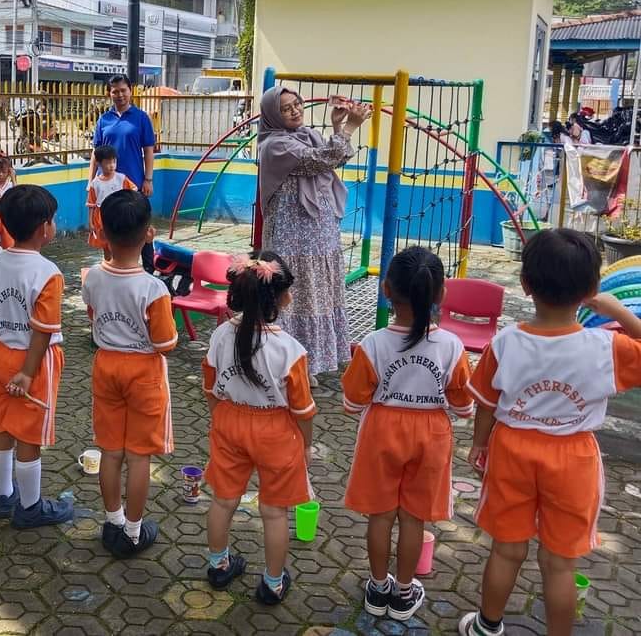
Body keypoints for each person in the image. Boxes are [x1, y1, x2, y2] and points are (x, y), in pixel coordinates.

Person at [460, 229, 641, 636]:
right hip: (574, 458)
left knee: (506, 551)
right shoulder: (606, 347)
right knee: (560, 564)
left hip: (512, 450)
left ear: (525, 284)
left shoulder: (505, 342)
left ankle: (487, 626)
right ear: (591, 290)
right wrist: (619, 310)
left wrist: (478, 444)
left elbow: (486, 404)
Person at [341, 247, 474, 622]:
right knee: (414, 519)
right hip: (431, 435)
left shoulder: (372, 344)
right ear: (441, 294)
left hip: (381, 431)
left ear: (386, 289)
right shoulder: (452, 346)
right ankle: (403, 593)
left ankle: (377, 587)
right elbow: (464, 405)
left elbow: (353, 402)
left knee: (380, 516)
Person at [201, 252, 315, 605]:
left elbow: (210, 387)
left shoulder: (220, 335)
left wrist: (221, 419)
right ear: (279, 298)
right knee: (274, 511)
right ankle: (272, 584)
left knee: (223, 500)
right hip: (275, 432)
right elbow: (303, 410)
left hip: (229, 421)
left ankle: (218, 566)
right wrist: (306, 445)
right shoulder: (290, 350)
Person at [81, 189, 177, 557]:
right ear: (149, 234)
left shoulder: (92, 277)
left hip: (106, 365)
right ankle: (134, 533)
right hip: (143, 371)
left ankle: (113, 522)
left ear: (103, 233)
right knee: (139, 456)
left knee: (110, 451)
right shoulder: (154, 288)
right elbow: (165, 343)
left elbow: (93, 317)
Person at [0, 184, 74, 528]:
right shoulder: (48, 273)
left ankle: (3, 495)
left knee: (1, 426)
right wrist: (29, 373)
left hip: (0, 356)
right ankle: (30, 507)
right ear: (44, 227)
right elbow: (43, 329)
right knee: (29, 436)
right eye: (53, 220)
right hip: (34, 362)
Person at [257, 87, 370, 382]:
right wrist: (349, 128)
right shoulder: (274, 145)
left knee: (317, 295)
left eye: (297, 104)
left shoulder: (307, 135)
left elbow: (334, 158)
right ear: (273, 115)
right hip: (292, 239)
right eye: (285, 108)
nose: (295, 110)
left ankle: (309, 362)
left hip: (319, 236)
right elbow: (317, 160)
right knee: (293, 297)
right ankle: (286, 364)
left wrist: (337, 128)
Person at [90, 74, 157, 269]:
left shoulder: (141, 118)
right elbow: (95, 152)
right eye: (115, 91)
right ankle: (113, 268)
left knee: (140, 226)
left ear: (130, 91)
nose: (119, 95)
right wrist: (90, 181)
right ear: (109, 94)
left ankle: (149, 269)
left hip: (133, 183)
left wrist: (148, 179)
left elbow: (149, 150)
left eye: (123, 90)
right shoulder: (104, 120)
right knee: (110, 229)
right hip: (107, 187)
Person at [86, 145, 137, 260]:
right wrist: (90, 222)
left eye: (114, 161)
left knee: (120, 241)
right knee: (106, 244)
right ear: (99, 163)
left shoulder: (121, 178)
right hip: (102, 218)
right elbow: (91, 204)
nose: (112, 165)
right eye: (108, 162)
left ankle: (120, 263)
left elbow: (133, 190)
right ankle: (108, 263)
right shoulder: (95, 183)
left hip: (119, 215)